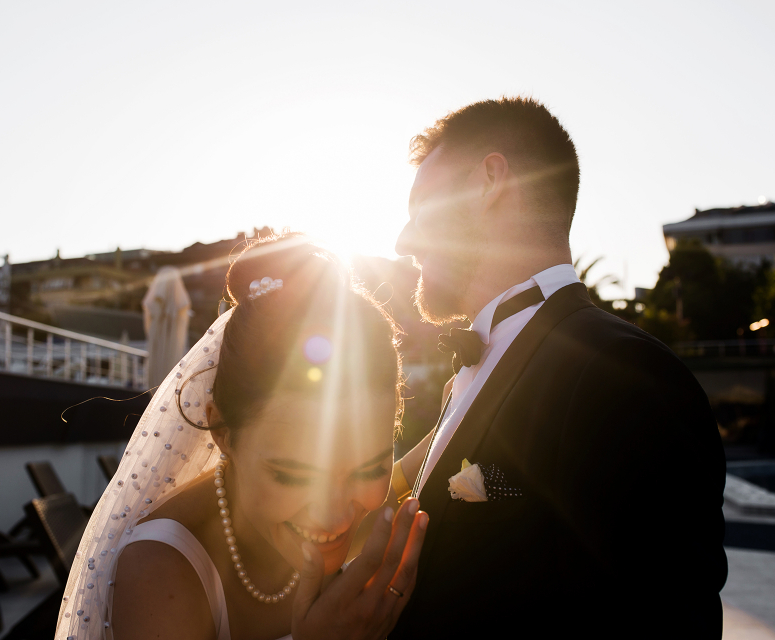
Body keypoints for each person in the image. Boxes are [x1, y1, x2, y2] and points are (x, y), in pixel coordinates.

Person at [388, 98, 728, 638]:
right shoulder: (470, 375)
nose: (403, 241)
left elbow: (665, 615)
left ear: (489, 181)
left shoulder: (625, 373)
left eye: (422, 207)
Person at [55, 234, 428, 640]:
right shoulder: (159, 574)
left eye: (370, 469)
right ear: (222, 432)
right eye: (295, 476)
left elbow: (413, 470)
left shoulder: (362, 510)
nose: (336, 516)